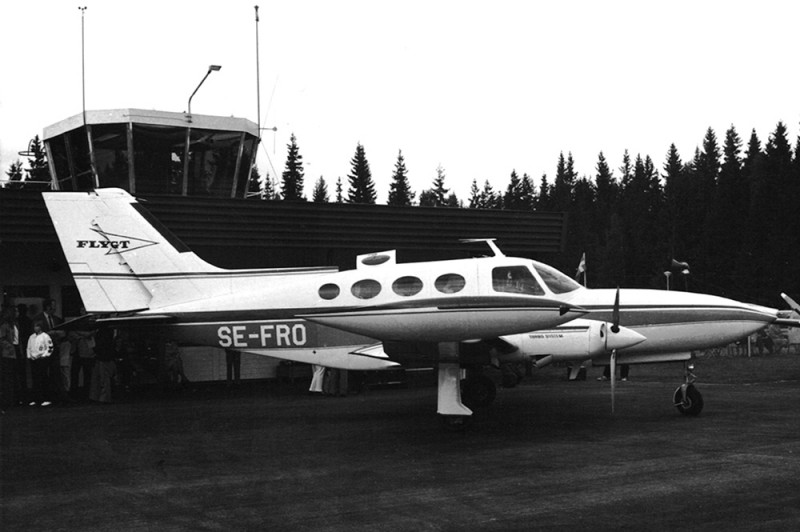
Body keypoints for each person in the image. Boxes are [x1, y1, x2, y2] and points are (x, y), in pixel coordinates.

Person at [26, 320, 53, 406]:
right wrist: (30, 356)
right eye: (34, 326)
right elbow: (28, 348)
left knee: (43, 378)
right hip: (33, 360)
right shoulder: (31, 337)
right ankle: (36, 398)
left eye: (37, 326)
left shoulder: (45, 336)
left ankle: (46, 398)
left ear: (40, 327)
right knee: (35, 380)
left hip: (42, 360)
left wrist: (44, 356)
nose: (35, 328)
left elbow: (50, 348)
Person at [89, 328, 116, 404]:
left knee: (102, 379)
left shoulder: (102, 334)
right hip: (104, 357)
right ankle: (101, 397)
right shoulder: (108, 333)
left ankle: (101, 397)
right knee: (103, 379)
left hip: (103, 357)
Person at [1, 307, 20, 407]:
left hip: (15, 350)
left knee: (14, 376)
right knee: (8, 376)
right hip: (8, 353)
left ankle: (14, 399)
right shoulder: (5, 325)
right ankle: (8, 400)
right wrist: (9, 347)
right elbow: (2, 339)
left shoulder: (15, 324)